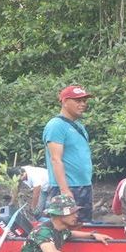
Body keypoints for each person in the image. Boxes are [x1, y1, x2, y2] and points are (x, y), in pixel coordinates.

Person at [43, 85, 95, 222]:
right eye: (78, 101)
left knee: (83, 224)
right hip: (68, 187)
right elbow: (56, 159)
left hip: (84, 185)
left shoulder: (79, 126)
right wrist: (65, 190)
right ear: (65, 102)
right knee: (65, 226)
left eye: (84, 101)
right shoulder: (56, 125)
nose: (83, 104)